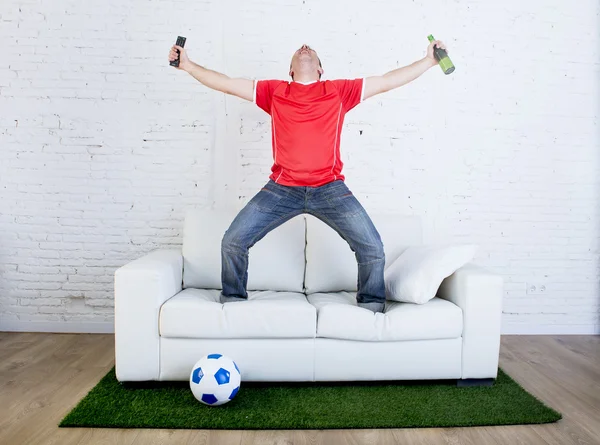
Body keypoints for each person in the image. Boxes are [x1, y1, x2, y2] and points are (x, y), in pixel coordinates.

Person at [168, 39, 449, 313]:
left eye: (311, 49)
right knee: (233, 241)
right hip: (281, 189)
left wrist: (428, 61)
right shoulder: (275, 91)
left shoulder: (339, 91)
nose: (304, 46)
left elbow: (388, 80)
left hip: (330, 189)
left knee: (372, 246)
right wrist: (189, 66)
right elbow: (226, 83)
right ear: (290, 70)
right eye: (299, 50)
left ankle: (372, 308)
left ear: (320, 70)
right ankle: (232, 304)